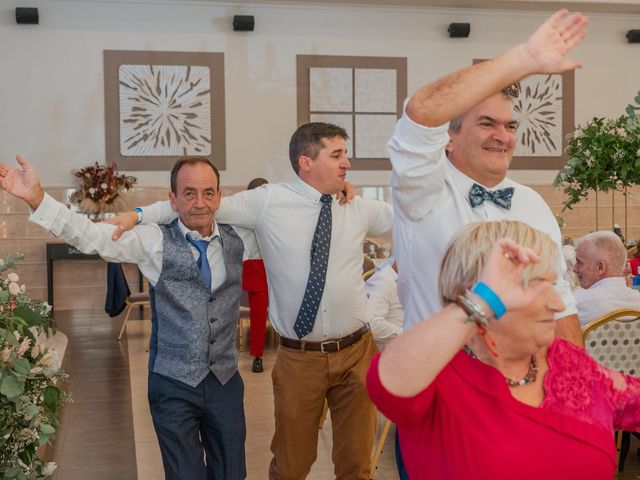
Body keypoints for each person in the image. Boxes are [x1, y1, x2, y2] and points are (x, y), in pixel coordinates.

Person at [108, 122, 394, 479]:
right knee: (292, 464)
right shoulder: (268, 202)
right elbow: (199, 205)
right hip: (299, 357)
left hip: (357, 352)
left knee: (357, 465)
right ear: (306, 161)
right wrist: (137, 215)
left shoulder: (359, 207)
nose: (347, 163)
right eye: (337, 154)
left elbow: (409, 220)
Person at [0, 155, 256, 480]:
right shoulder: (153, 240)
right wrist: (37, 198)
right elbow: (90, 236)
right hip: (173, 383)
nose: (200, 203)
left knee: (232, 474)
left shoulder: (241, 240)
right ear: (173, 201)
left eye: (208, 193)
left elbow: (289, 228)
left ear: (219, 197)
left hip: (225, 383)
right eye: (189, 193)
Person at [367, 220, 640, 480]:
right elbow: (387, 382)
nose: (557, 304)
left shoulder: (563, 359)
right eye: (538, 286)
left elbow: (631, 400)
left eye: (554, 285)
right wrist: (482, 300)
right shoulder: (437, 375)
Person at [388, 9, 587, 346]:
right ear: (448, 138)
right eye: (486, 123)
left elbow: (561, 301)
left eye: (510, 126)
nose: (503, 136)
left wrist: (575, 385)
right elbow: (421, 112)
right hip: (440, 378)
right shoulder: (423, 193)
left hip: (521, 382)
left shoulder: (532, 203)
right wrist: (525, 58)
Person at [573, 231, 640, 325]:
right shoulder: (637, 300)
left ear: (601, 267)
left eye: (579, 263)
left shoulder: (577, 303)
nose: (574, 269)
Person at [242, 177, 270, 373]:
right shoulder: (242, 215)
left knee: (263, 315)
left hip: (271, 267)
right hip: (251, 266)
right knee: (258, 315)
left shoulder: (273, 214)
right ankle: (257, 355)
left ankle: (259, 354)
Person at [364, 261, 403, 350]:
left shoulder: (404, 279)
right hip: (390, 353)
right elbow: (373, 326)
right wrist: (408, 334)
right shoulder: (383, 282)